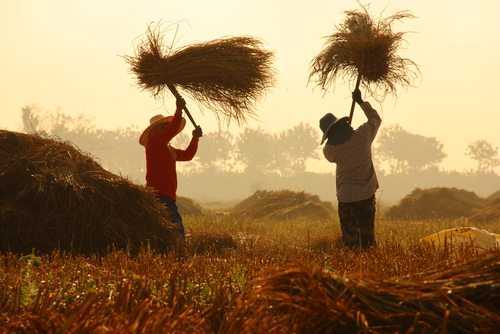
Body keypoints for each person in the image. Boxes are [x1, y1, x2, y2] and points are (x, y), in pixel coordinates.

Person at [320, 88, 381, 249]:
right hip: (366, 195)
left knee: (350, 241)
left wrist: (335, 136)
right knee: (367, 239)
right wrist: (361, 102)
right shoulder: (363, 135)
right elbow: (375, 119)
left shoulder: (331, 150)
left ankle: (353, 270)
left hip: (346, 198)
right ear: (344, 125)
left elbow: (329, 151)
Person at [139, 97, 203, 249]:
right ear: (154, 130)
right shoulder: (154, 142)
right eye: (163, 126)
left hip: (168, 194)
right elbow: (173, 129)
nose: (165, 128)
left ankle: (167, 250)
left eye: (166, 125)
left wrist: (195, 138)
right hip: (159, 193)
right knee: (176, 226)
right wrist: (179, 109)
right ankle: (179, 251)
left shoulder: (168, 149)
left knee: (166, 226)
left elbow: (187, 155)